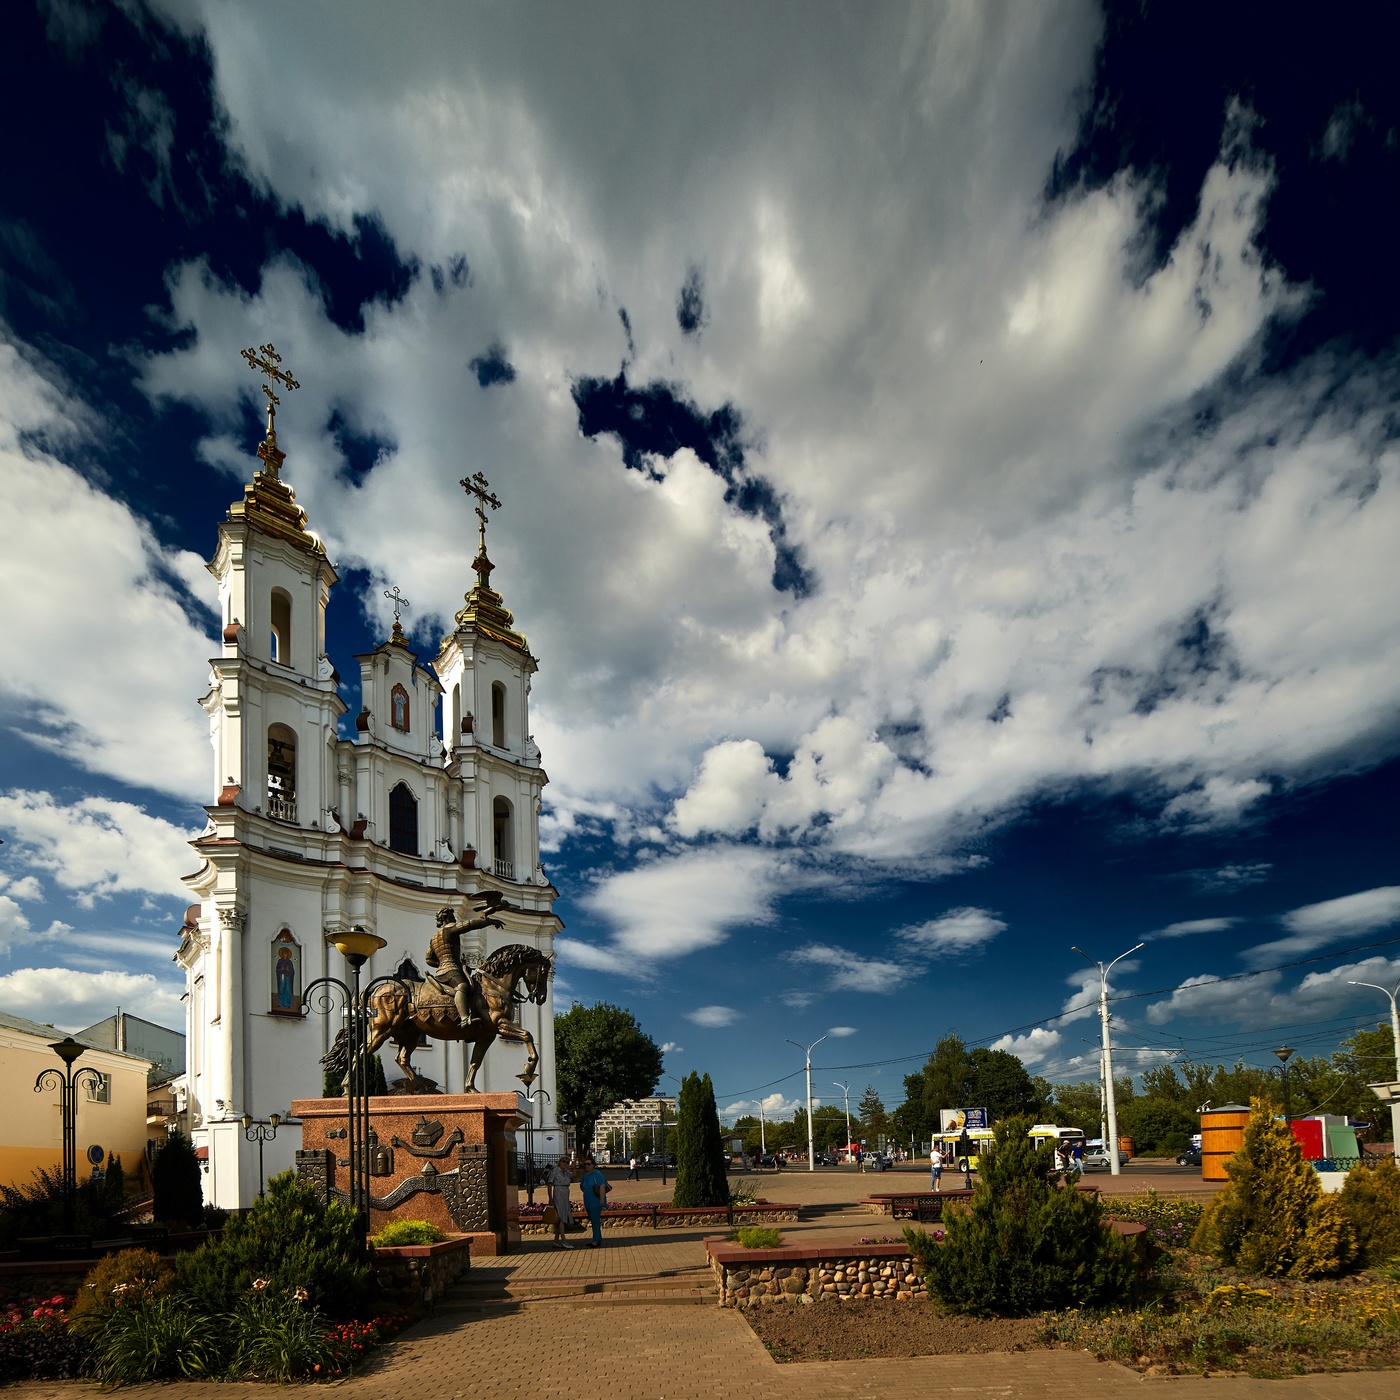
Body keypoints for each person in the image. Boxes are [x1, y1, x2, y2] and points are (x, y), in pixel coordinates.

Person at [579, 1156, 610, 1248]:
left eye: (589, 1164)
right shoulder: (586, 1176)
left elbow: (602, 1186)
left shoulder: (597, 1174)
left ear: (593, 1165)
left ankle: (595, 1241)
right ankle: (597, 1239)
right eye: (585, 1164)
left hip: (595, 1201)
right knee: (593, 1220)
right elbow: (582, 1186)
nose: (586, 1166)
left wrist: (601, 1199)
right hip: (588, 1201)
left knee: (595, 1221)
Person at [544, 1157, 574, 1250]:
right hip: (558, 1193)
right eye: (564, 1161)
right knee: (561, 1217)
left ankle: (556, 1240)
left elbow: (574, 1175)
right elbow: (549, 1184)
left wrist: (573, 1167)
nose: (565, 1163)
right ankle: (563, 1239)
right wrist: (550, 1197)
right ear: (560, 1162)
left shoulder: (566, 1172)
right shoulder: (555, 1171)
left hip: (565, 1193)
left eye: (567, 1162)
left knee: (563, 1215)